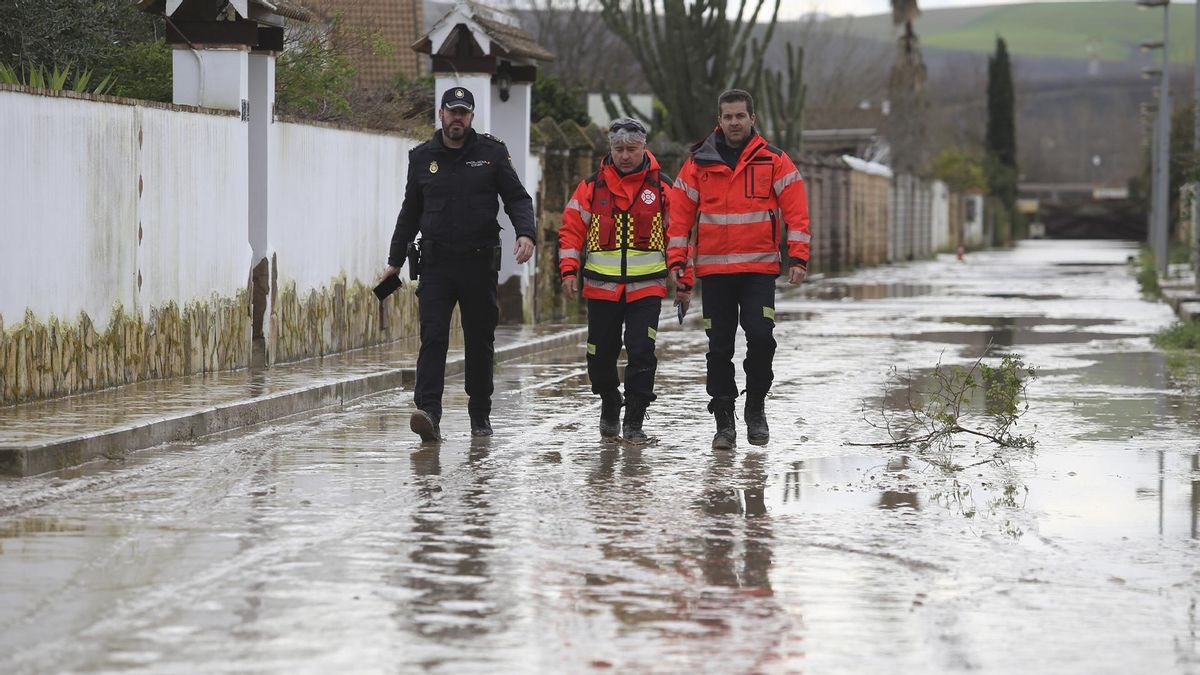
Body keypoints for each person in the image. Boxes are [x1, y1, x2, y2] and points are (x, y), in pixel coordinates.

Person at [382, 86, 536, 443]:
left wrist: (526, 233)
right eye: (452, 111)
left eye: (463, 113)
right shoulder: (422, 157)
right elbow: (410, 213)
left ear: (471, 116)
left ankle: (480, 414)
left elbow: (517, 198)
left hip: (479, 264)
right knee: (433, 337)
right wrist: (394, 262)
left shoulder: (492, 153)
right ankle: (429, 413)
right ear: (441, 114)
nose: (457, 118)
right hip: (436, 264)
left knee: (480, 340)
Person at [666, 89, 811, 450]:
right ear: (719, 120)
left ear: (752, 119)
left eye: (740, 116)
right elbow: (679, 219)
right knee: (719, 348)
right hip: (715, 273)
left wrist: (798, 257)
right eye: (728, 116)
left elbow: (796, 211)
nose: (734, 122)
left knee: (761, 338)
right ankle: (724, 421)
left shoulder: (774, 161)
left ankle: (755, 407)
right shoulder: (698, 164)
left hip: (759, 271)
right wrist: (678, 265)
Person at [559, 118, 692, 444]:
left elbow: (679, 235)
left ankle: (634, 419)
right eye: (618, 149)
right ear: (610, 149)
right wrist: (568, 271)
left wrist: (683, 280)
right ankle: (609, 399)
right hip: (601, 288)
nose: (625, 155)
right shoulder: (591, 187)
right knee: (599, 354)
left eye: (631, 149)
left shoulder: (662, 188)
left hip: (646, 288)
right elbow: (571, 230)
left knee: (641, 350)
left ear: (644, 147)